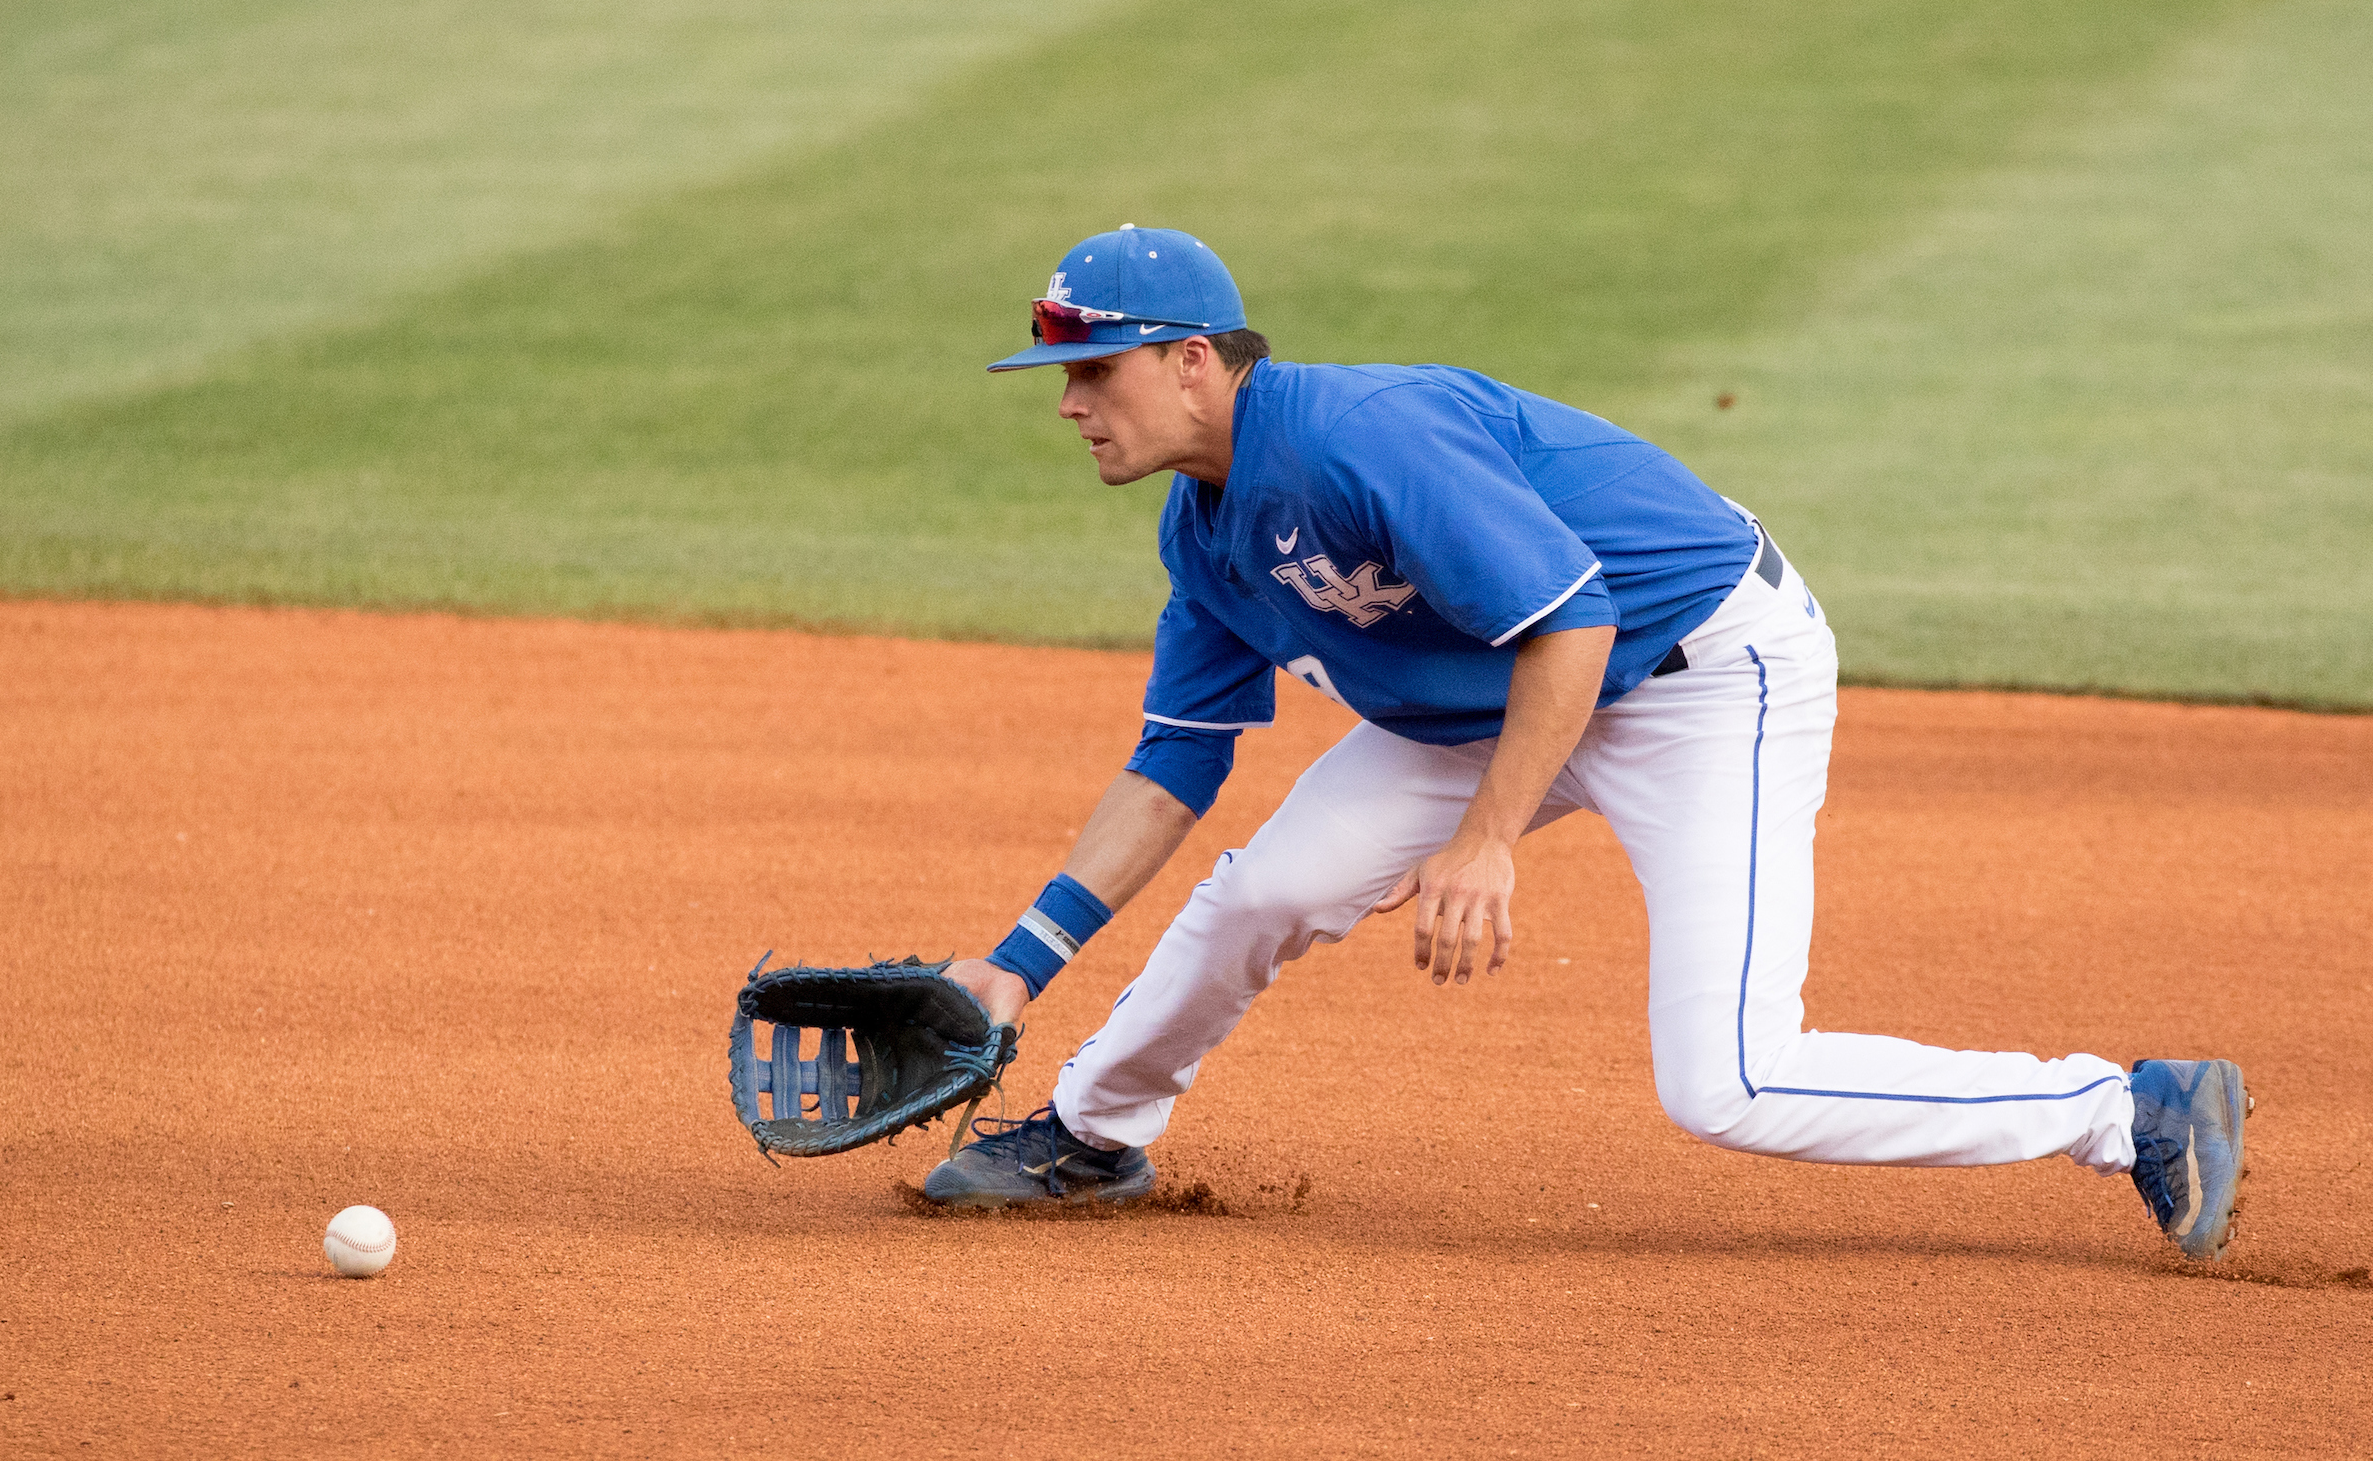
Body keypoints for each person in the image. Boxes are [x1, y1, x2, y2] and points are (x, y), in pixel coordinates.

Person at [926, 224, 2248, 1262]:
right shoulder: (1202, 533)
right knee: (1267, 888)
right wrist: (1014, 964)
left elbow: (1576, 622)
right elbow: (1174, 768)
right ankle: (1093, 1136)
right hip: (1502, 698)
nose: (1069, 404)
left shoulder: (1359, 441)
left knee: (1729, 1081)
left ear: (1194, 359)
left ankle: (2128, 1111)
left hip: (1698, 672)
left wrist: (1486, 840)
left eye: (1091, 371)